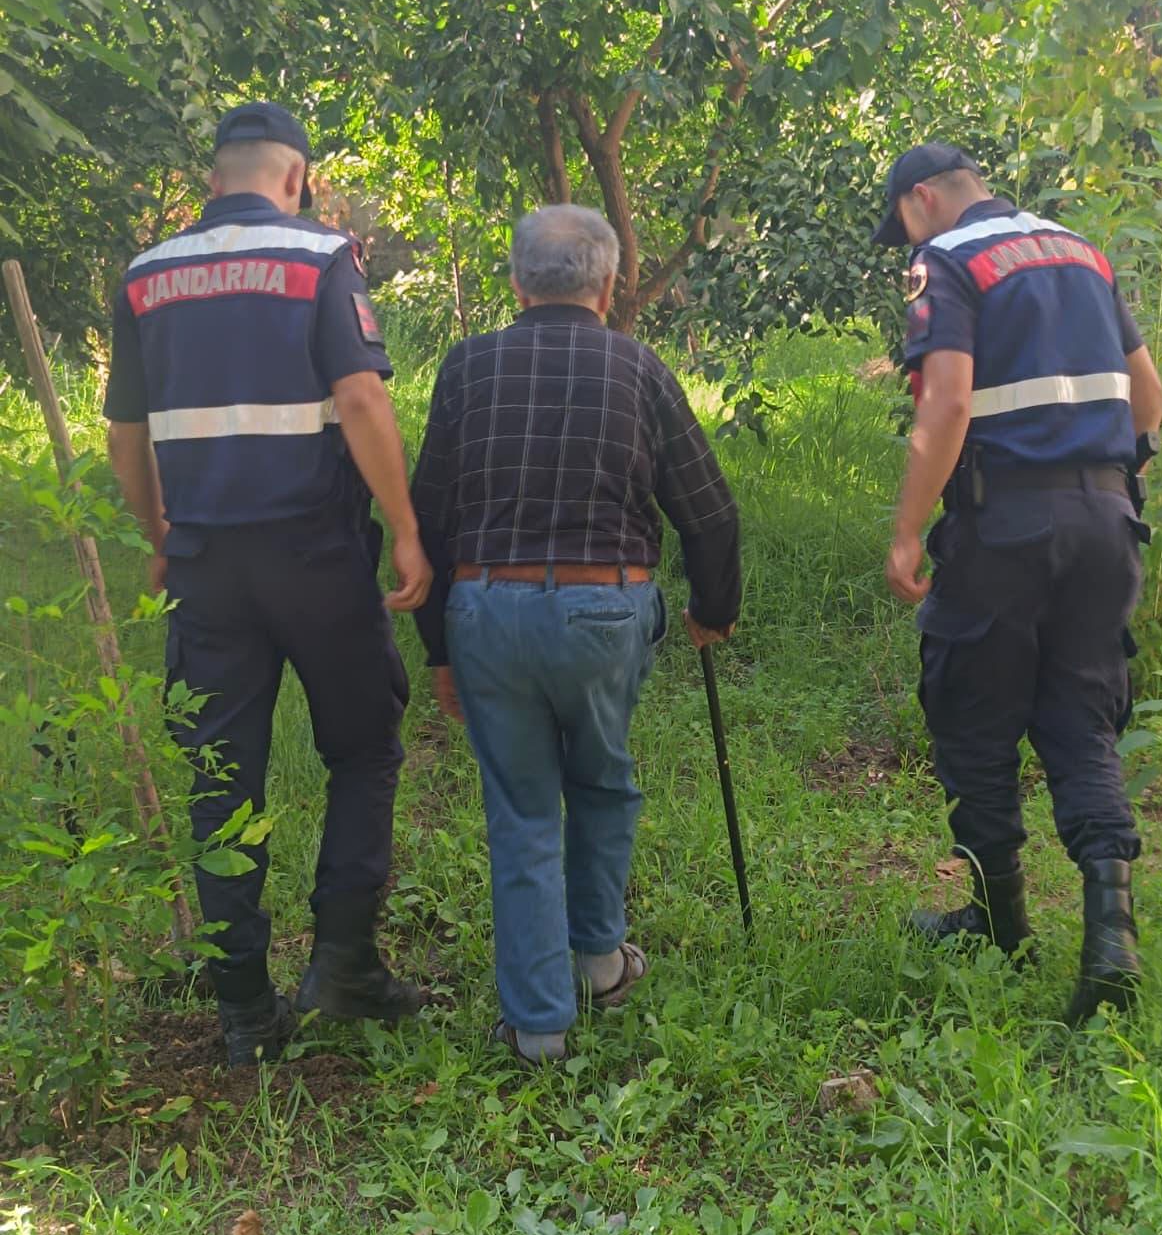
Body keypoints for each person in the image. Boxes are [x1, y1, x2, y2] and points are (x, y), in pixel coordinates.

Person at [104, 102, 433, 1066]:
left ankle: (244, 1008)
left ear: (217, 176)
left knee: (220, 776)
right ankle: (344, 964)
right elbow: (362, 398)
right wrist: (406, 530)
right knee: (365, 746)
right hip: (316, 556)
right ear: (296, 175)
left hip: (207, 565)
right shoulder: (321, 258)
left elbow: (126, 433)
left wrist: (158, 537)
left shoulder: (147, 276)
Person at [410, 204, 741, 1065]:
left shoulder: (467, 366)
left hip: (487, 610)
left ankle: (537, 1030)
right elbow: (708, 513)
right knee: (602, 780)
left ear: (516, 282)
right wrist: (713, 609)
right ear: (609, 282)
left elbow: (430, 519)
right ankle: (598, 961)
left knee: (520, 812)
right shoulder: (636, 367)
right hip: (603, 612)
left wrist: (437, 650)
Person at [874, 141, 1162, 1022]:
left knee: (973, 712)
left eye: (903, 223)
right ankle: (1110, 940)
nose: (905, 240)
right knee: (1081, 717)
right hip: (1107, 523)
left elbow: (949, 401)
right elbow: (1148, 401)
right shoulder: (1081, 250)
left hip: (1004, 530)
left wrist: (907, 531)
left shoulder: (948, 261)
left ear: (924, 198)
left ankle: (1001, 922)